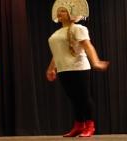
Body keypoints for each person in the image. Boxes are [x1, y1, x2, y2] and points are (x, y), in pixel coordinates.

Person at [46, 0, 109, 137]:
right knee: (74, 99)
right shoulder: (57, 33)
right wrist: (52, 69)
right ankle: (79, 126)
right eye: (59, 10)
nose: (59, 12)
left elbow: (88, 46)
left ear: (71, 14)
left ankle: (90, 126)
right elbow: (57, 53)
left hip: (79, 68)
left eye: (63, 10)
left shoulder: (78, 28)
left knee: (83, 98)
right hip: (64, 70)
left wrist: (96, 62)